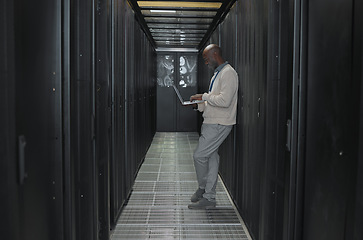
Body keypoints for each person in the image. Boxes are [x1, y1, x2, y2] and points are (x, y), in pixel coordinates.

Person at [188, 44, 238, 209]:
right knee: (211, 158)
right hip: (211, 121)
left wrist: (203, 96)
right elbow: (213, 100)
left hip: (219, 123)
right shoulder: (217, 74)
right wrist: (199, 105)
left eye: (206, 58)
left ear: (215, 54)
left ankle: (203, 189)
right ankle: (209, 198)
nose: (206, 62)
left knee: (199, 156)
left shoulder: (228, 73)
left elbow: (224, 101)